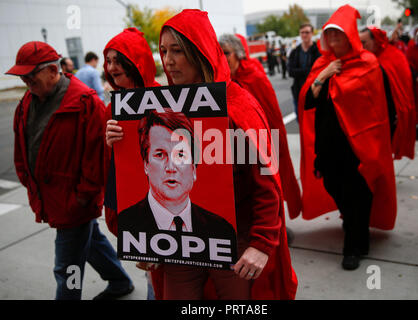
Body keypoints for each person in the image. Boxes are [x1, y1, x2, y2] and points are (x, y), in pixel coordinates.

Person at [107, 9, 297, 300]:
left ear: (200, 53)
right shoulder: (161, 106)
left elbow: (267, 179)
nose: (167, 61)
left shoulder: (239, 104)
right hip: (177, 245)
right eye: (163, 51)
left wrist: (261, 243)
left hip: (234, 239)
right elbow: (140, 170)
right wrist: (120, 139)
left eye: (177, 51)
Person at [6, 41, 134, 300]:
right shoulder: (28, 102)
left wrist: (82, 197)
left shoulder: (85, 103)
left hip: (74, 203)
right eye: (22, 75)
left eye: (31, 74)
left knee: (66, 269)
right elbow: (22, 145)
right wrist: (28, 180)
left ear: (53, 71)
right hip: (53, 198)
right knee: (91, 243)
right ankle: (120, 282)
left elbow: (99, 157)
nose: (25, 80)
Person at [298, 5, 397, 270]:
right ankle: (355, 229)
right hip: (329, 146)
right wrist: (323, 76)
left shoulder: (369, 64)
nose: (332, 40)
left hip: (360, 149)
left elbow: (385, 107)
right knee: (336, 188)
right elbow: (308, 100)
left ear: (350, 36)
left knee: (359, 195)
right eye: (329, 35)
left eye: (337, 35)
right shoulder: (323, 64)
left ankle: (354, 246)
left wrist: (384, 141)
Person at [118, 110, 237, 263]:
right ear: (146, 164)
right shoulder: (127, 223)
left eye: (180, 154)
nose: (171, 167)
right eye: (160, 154)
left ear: (194, 167)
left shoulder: (221, 228)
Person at [102, 27, 161, 300]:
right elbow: (112, 165)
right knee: (152, 276)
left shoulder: (167, 99)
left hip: (165, 201)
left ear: (135, 62)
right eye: (108, 60)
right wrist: (110, 141)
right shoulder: (112, 106)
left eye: (118, 60)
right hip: (134, 203)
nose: (111, 67)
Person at [218, 33, 302, 220]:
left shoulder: (254, 75)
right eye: (219, 54)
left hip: (262, 141)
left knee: (267, 189)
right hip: (236, 145)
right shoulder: (218, 80)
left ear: (238, 54)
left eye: (226, 53)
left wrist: (272, 145)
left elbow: (270, 114)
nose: (223, 59)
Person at [360, 26, 416, 160]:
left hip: (388, 113)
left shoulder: (393, 56)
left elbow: (402, 85)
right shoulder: (363, 58)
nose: (361, 47)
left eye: (364, 43)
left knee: (382, 151)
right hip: (368, 114)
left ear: (375, 41)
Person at [288, 23, 321, 119]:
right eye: (302, 32)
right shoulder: (295, 52)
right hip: (298, 91)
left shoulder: (318, 50)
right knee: (300, 119)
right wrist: (308, 71)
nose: (304, 35)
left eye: (307, 32)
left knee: (315, 121)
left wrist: (300, 71)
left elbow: (318, 70)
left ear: (312, 34)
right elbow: (290, 71)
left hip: (315, 91)